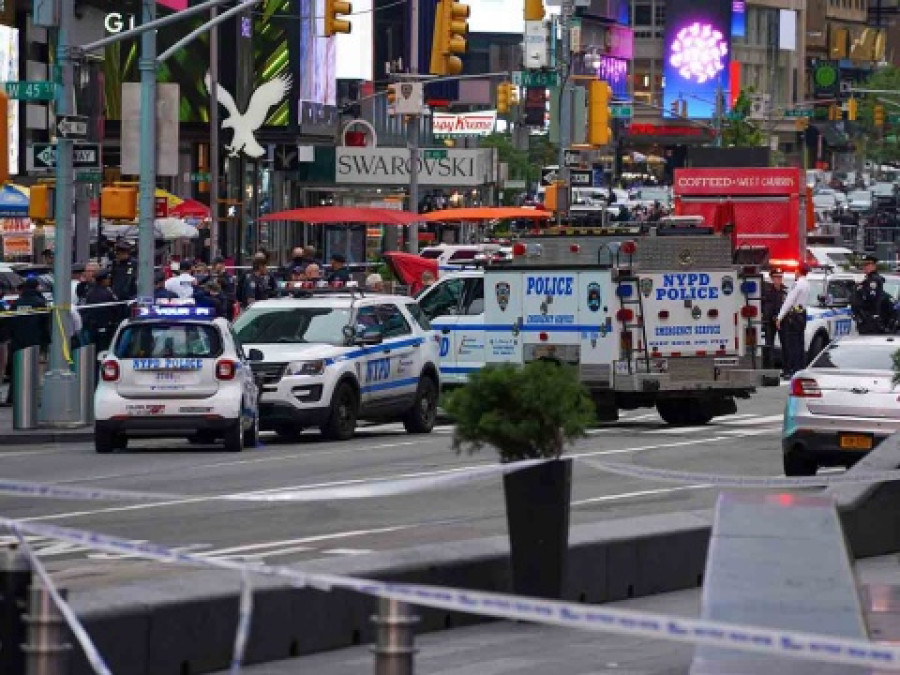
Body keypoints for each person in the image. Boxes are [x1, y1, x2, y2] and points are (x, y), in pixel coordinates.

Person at [6, 278, 50, 405]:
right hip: (35, 341)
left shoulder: (16, 303)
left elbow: (10, 321)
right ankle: (33, 398)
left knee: (17, 370)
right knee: (34, 370)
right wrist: (45, 343)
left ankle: (13, 397)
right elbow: (45, 324)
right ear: (36, 287)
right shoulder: (40, 303)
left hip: (18, 341)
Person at [776, 263, 811, 378]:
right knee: (800, 343)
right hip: (802, 314)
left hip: (794, 316)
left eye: (795, 270)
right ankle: (800, 367)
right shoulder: (806, 284)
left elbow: (789, 301)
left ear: (798, 271)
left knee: (793, 343)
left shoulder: (798, 284)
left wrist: (779, 317)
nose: (794, 273)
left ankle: (793, 369)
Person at [82, 270, 120, 352]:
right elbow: (115, 309)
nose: (109, 280)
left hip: (92, 327)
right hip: (106, 327)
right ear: (103, 280)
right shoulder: (107, 293)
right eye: (108, 279)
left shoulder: (90, 293)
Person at [852, 254, 889, 334]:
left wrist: (860, 288)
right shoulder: (867, 279)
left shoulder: (873, 280)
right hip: (865, 318)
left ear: (873, 266)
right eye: (864, 265)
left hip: (870, 318)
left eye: (867, 264)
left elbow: (870, 297)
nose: (865, 267)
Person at [761, 268, 788, 369]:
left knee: (786, 345)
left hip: (783, 321)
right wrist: (773, 317)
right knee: (769, 345)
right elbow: (766, 307)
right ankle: (769, 367)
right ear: (772, 278)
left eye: (780, 277)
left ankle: (787, 368)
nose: (779, 279)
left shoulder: (785, 291)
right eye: (776, 277)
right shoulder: (767, 291)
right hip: (770, 321)